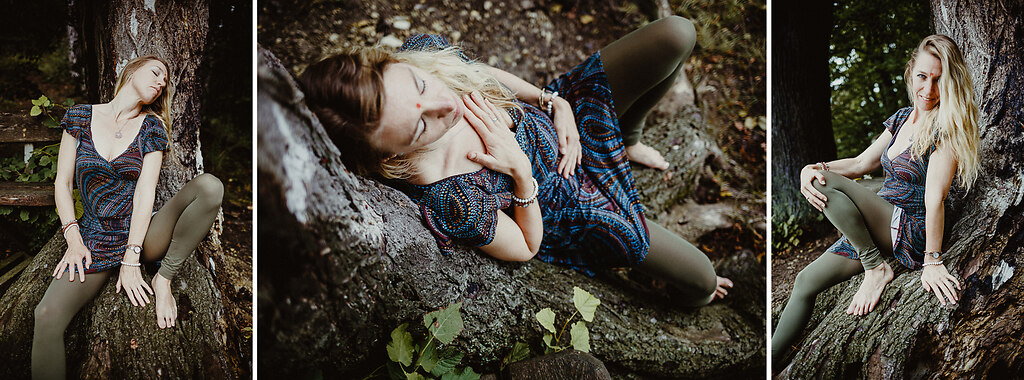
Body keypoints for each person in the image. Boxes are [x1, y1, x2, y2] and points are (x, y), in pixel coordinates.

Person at [299, 16, 733, 305]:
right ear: (393, 152)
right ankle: (694, 287)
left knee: (678, 34)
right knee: (701, 281)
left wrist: (551, 99)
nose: (444, 105)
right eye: (420, 128)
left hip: (569, 122)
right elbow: (526, 248)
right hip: (575, 202)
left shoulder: (421, 56)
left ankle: (628, 138)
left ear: (396, 63)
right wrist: (520, 173)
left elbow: (478, 75)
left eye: (421, 86)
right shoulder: (449, 197)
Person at [771, 34, 980, 364]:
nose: (928, 90)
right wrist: (811, 168)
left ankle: (875, 268)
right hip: (880, 220)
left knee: (824, 184)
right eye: (923, 77)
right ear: (911, 72)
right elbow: (859, 164)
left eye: (939, 80)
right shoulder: (901, 119)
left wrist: (933, 261)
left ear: (950, 83)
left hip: (912, 226)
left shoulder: (946, 126)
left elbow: (935, 198)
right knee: (804, 281)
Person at [32, 55, 224, 379]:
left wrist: (133, 259)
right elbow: (62, 183)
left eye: (165, 82)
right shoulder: (80, 117)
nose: (161, 82)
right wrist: (74, 240)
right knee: (46, 316)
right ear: (132, 70)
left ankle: (164, 279)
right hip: (93, 238)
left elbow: (145, 192)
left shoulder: (151, 127)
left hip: (142, 233)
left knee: (210, 186)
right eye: (156, 73)